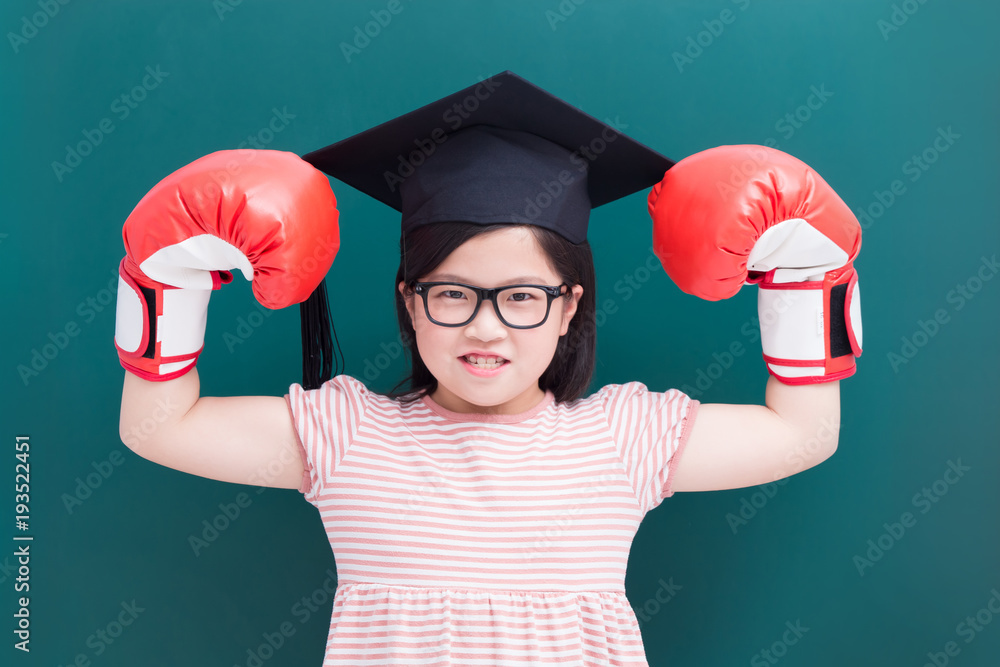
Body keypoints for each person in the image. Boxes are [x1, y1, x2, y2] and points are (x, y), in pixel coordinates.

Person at [117, 71, 862, 666]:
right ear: (409, 302)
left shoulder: (625, 435)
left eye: (521, 297)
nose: (485, 325)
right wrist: (165, 286)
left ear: (570, 305)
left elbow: (803, 433)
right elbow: (160, 427)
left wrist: (808, 280)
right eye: (451, 293)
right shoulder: (346, 433)